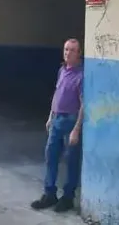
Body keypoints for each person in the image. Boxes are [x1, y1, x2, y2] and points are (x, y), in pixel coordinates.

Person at [30, 38, 84, 213]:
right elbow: (57, 95)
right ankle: (49, 194)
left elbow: (84, 104)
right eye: (66, 49)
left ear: (79, 53)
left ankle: (68, 197)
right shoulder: (62, 70)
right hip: (56, 120)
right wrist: (50, 117)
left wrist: (76, 129)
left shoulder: (81, 75)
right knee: (51, 156)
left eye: (72, 50)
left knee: (71, 161)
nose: (68, 53)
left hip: (70, 121)